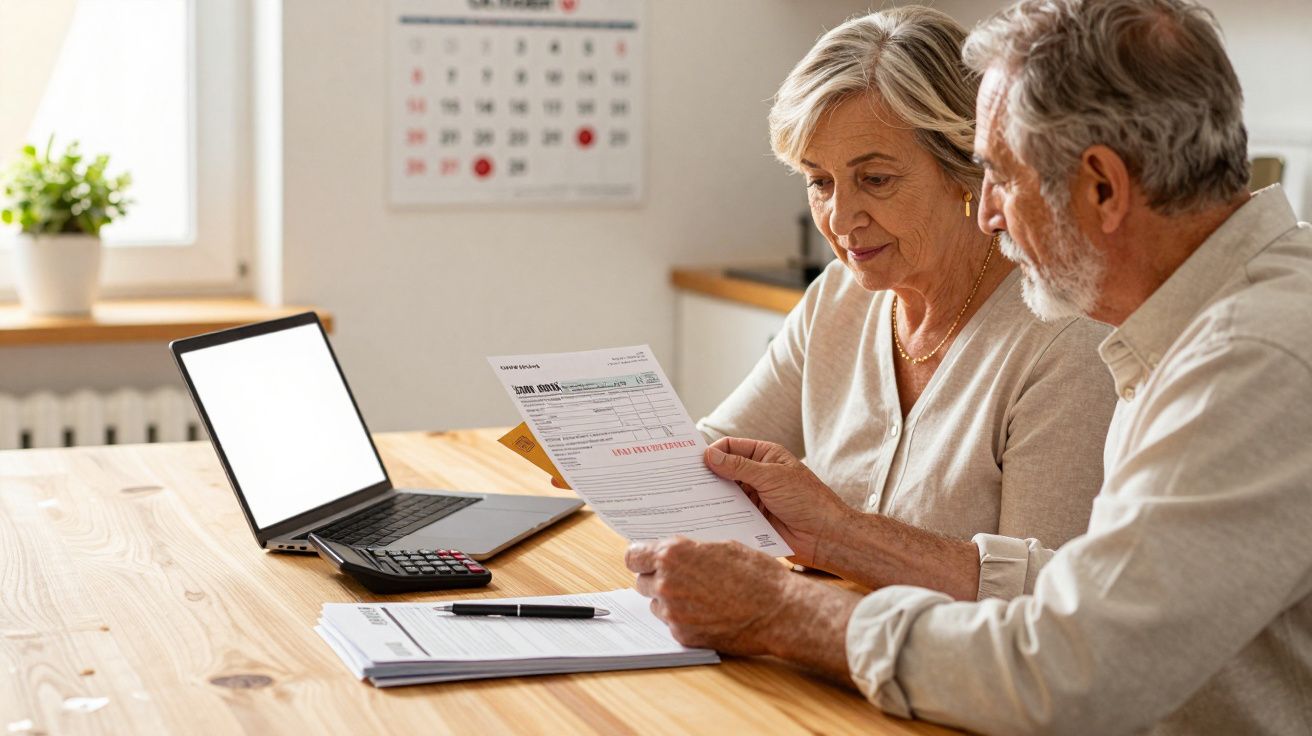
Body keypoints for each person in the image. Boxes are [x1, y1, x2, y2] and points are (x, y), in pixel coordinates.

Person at [628, 0, 1312, 733]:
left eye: (1001, 175)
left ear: (1103, 188)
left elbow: (1066, 671)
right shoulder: (1191, 328)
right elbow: (1082, 593)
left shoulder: (1248, 362)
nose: (985, 212)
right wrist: (834, 536)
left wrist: (780, 609)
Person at [695, 6, 1114, 600]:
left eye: (876, 179)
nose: (839, 220)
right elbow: (714, 452)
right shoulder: (838, 298)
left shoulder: (1066, 341)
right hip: (812, 652)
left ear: (965, 171)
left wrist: (839, 534)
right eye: (819, 181)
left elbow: (1044, 608)